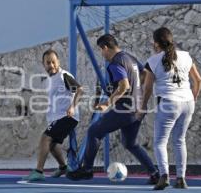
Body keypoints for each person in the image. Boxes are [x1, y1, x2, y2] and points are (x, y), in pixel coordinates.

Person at [66, 34, 159, 184]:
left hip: (125, 110)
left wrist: (107, 103)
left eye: (101, 51)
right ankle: (155, 173)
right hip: (138, 108)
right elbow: (146, 74)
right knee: (130, 143)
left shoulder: (115, 63)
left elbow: (124, 86)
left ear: (105, 47)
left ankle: (87, 170)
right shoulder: (130, 58)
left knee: (94, 132)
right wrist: (137, 89)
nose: (102, 54)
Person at [140, 27, 201, 190]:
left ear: (156, 43)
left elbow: (147, 89)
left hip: (169, 103)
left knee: (160, 142)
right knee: (179, 140)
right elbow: (198, 80)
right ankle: (181, 178)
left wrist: (142, 106)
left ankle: (164, 176)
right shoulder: (186, 56)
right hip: (187, 102)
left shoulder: (153, 61)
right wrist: (193, 97)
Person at [23, 49, 83, 181]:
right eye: (48, 63)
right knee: (53, 145)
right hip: (57, 118)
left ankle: (38, 171)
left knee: (45, 139)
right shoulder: (50, 80)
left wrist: (72, 106)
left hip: (67, 117)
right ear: (44, 64)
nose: (51, 65)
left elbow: (79, 89)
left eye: (54, 62)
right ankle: (63, 167)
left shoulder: (64, 75)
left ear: (58, 62)